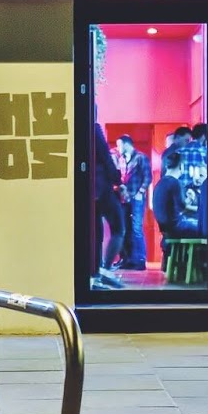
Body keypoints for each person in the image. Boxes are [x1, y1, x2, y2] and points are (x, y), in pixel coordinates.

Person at [91, 118, 126, 287]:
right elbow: (105, 156)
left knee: (95, 231)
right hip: (101, 186)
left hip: (89, 188)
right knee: (119, 227)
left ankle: (95, 274)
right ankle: (103, 271)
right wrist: (118, 182)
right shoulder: (94, 128)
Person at [116, 135, 151, 269]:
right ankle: (127, 259)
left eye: (119, 145)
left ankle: (140, 260)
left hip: (137, 198)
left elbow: (148, 177)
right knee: (124, 228)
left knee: (136, 228)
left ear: (126, 144)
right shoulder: (121, 159)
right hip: (124, 198)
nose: (118, 148)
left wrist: (140, 193)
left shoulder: (141, 157)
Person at [152, 150, 199, 239]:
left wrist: (188, 200)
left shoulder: (159, 183)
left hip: (165, 229)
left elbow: (175, 207)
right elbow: (182, 207)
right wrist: (199, 209)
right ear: (181, 166)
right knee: (205, 227)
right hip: (177, 227)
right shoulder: (174, 182)